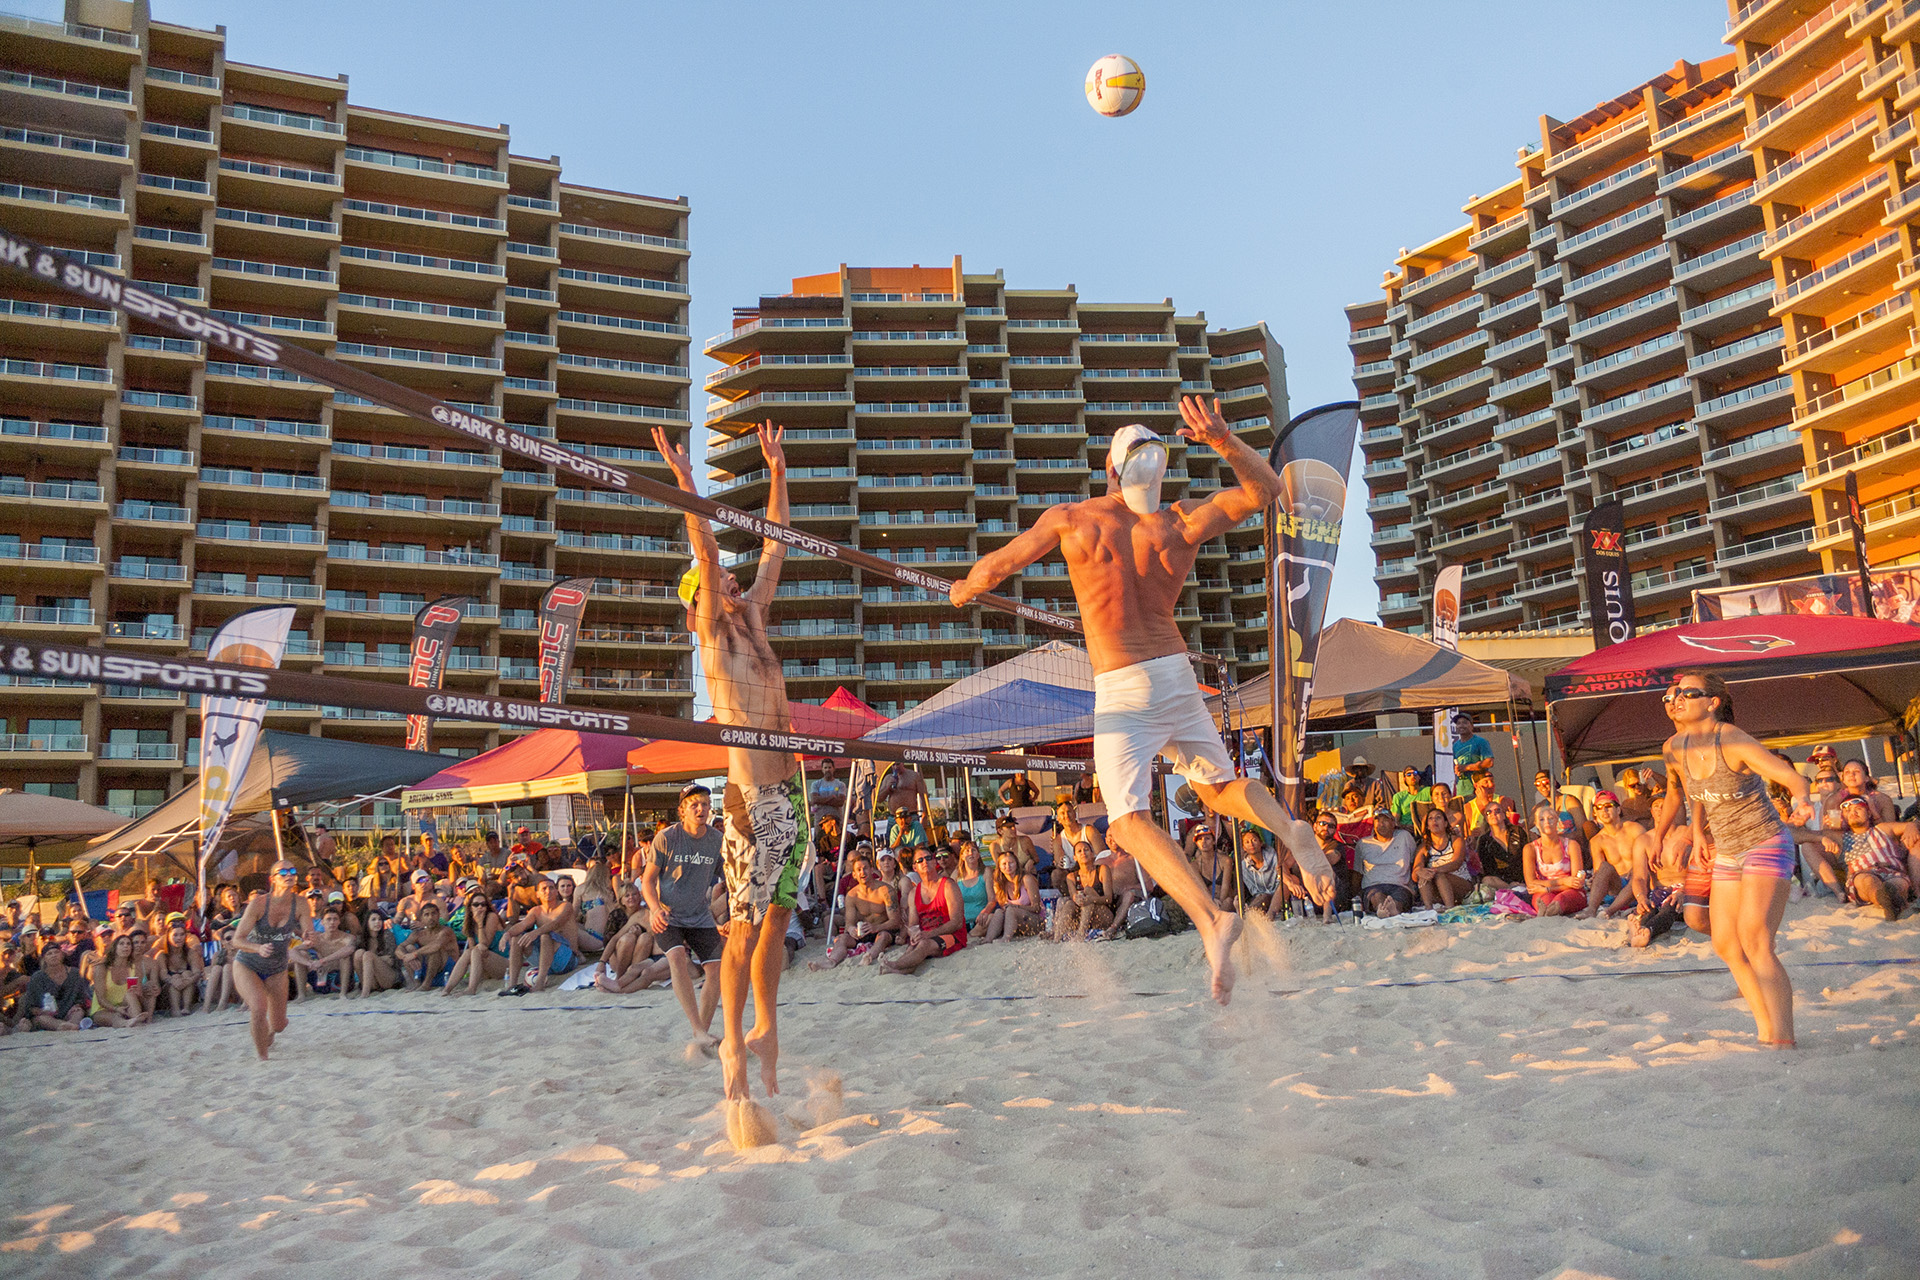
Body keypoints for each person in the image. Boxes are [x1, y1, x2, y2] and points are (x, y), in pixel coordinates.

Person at [950, 395, 1334, 1004]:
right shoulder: (1179, 522)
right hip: (1177, 672)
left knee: (1127, 822)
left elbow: (997, 568)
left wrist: (962, 589)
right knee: (1215, 789)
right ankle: (1290, 831)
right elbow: (1265, 492)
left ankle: (1211, 918)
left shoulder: (1073, 519)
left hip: (1123, 683)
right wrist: (1224, 440)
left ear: (1109, 472)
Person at [659, 418, 809, 1120]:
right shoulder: (716, 638)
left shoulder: (754, 618)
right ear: (699, 603)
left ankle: (766, 1027)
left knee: (778, 919)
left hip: (791, 789)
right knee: (746, 929)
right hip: (751, 794)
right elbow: (704, 540)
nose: (727, 574)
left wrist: (778, 473)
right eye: (712, 579)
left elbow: (778, 547)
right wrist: (690, 489)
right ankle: (728, 1048)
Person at [1655, 670, 1812, 1048]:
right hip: (1726, 849)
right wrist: (1675, 835)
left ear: (1713, 702)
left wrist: (1804, 800)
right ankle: (1765, 1030)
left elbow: (1790, 777)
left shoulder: (1734, 740)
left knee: (1756, 939)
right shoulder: (1673, 747)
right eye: (1672, 694)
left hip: (1765, 842)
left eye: (1687, 693)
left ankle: (1784, 1038)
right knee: (1726, 943)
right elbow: (1683, 792)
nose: (1675, 698)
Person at [643, 783, 727, 1052]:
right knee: (677, 957)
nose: (701, 808)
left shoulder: (716, 839)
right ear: (682, 810)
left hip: (700, 914)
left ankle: (699, 1032)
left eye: (704, 803)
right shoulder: (667, 837)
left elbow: (729, 880)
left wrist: (729, 915)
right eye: (694, 805)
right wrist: (655, 909)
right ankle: (699, 1030)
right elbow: (647, 880)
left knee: (716, 970)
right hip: (668, 913)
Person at [227, 862, 310, 1059]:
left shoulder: (300, 903)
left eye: (292, 871)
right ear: (272, 879)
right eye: (283, 872)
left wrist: (311, 938)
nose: (288, 875)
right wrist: (258, 947)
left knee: (279, 1025)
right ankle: (262, 1057)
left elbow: (308, 933)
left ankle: (270, 1032)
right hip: (248, 963)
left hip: (277, 967)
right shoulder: (258, 904)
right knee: (258, 1007)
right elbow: (237, 940)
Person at [1824, 794, 1911, 920]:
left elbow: (1911, 825)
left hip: (1892, 870)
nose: (1853, 813)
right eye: (1848, 811)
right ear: (1843, 817)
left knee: (1898, 883)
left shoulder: (1883, 829)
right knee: (1866, 881)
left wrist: (1911, 828)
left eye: (1858, 809)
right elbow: (1800, 836)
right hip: (1862, 873)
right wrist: (1822, 837)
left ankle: (1890, 899)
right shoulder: (1841, 837)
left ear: (1869, 813)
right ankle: (1887, 900)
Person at [882, 848, 968, 973]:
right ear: (915, 867)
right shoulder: (914, 893)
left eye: (928, 858)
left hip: (952, 935)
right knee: (912, 948)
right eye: (920, 860)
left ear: (934, 862)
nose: (925, 862)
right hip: (926, 936)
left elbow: (957, 922)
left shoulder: (948, 885)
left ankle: (894, 965)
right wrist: (914, 934)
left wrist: (928, 934)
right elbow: (913, 924)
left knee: (924, 945)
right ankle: (896, 970)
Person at [497, 880, 573, 994]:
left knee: (545, 936)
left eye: (551, 888)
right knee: (516, 939)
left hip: (565, 959)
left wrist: (535, 932)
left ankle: (539, 984)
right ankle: (512, 985)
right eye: (544, 889)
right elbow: (522, 925)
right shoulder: (536, 910)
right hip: (545, 961)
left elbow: (556, 923)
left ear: (557, 892)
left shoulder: (565, 906)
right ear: (537, 894)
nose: (548, 891)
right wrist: (507, 934)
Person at [1625, 824, 1693, 949]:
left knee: (1670, 906)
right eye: (1655, 805)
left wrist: (1683, 890)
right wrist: (1641, 898)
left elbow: (1700, 871)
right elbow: (1639, 877)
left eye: (1663, 805)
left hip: (1686, 886)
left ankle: (1649, 930)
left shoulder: (1688, 834)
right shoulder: (1644, 840)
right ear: (1651, 810)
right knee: (1649, 907)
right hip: (1660, 889)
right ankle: (1639, 929)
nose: (1659, 810)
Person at [1580, 791, 1645, 920]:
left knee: (1638, 875)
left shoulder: (1635, 829)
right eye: (1599, 808)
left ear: (1618, 809)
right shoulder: (1597, 840)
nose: (1604, 810)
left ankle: (1609, 911)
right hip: (1617, 887)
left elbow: (1647, 855)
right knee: (1604, 867)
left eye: (1608, 806)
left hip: (1639, 884)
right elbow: (1599, 870)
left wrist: (1635, 870)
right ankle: (1591, 910)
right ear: (1596, 814)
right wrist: (1594, 879)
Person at [1523, 801, 1587, 917]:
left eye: (1550, 818)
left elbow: (1577, 882)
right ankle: (1548, 913)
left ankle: (1551, 912)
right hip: (1548, 891)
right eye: (1542, 819)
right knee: (1544, 902)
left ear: (1557, 821)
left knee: (1560, 900)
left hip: (1570, 892)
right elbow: (1531, 883)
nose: (1547, 822)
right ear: (1536, 824)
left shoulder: (1571, 845)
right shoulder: (1530, 849)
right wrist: (1562, 882)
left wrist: (1545, 888)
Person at [445, 887, 509, 995]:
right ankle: (447, 989)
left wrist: (479, 924)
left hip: (503, 964)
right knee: (468, 952)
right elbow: (472, 947)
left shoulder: (491, 917)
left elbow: (484, 944)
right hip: (485, 966)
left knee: (477, 950)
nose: (480, 907)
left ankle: (471, 989)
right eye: (476, 905)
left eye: (483, 904)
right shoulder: (469, 922)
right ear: (470, 907)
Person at [1355, 807, 1417, 917]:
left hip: (1400, 884)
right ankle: (1382, 909)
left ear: (1393, 823)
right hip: (1373, 884)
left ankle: (1393, 910)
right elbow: (1358, 872)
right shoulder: (1363, 843)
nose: (1381, 824)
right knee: (1376, 895)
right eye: (1377, 820)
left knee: (1399, 897)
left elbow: (1413, 861)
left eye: (1385, 820)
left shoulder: (1404, 837)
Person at [977, 848, 1045, 944]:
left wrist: (1016, 907)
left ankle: (1006, 938)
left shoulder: (1027, 879)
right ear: (999, 867)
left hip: (1035, 921)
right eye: (1004, 864)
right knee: (999, 912)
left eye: (1011, 863)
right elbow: (1004, 909)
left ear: (1016, 863)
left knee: (1011, 910)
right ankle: (988, 939)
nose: (1008, 866)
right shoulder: (999, 884)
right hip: (1015, 924)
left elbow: (1037, 908)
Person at [16, 945, 90, 1031]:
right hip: (47, 1016)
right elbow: (30, 1006)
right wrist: (41, 1011)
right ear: (44, 958)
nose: (54, 955)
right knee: (42, 1019)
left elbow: (83, 997)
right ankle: (63, 1026)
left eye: (56, 952)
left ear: (62, 955)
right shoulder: (37, 978)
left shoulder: (75, 973)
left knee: (78, 1012)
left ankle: (71, 1025)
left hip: (69, 1012)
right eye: (49, 954)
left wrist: (77, 1005)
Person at [1053, 841, 1115, 941]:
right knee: (1069, 903)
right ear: (1075, 857)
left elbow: (1108, 899)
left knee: (1087, 891)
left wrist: (1091, 899)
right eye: (1079, 851)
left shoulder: (1102, 869)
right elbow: (1074, 897)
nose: (1083, 853)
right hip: (1083, 917)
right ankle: (1056, 937)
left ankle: (1081, 935)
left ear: (1092, 854)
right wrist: (1078, 899)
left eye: (1086, 850)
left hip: (1103, 916)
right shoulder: (1071, 877)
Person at [1413, 809, 1472, 910]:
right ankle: (1428, 908)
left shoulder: (1456, 840)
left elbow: (1456, 863)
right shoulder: (1423, 847)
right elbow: (1415, 874)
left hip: (1460, 883)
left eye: (1438, 817)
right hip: (1437, 888)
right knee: (1423, 876)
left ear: (1445, 824)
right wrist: (1421, 872)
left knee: (1439, 875)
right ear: (1427, 826)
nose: (1434, 821)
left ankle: (1450, 908)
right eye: (1430, 819)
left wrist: (1434, 870)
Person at [89, 931, 150, 1027]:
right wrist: (116, 1009)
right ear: (115, 948)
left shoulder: (135, 968)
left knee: (131, 994)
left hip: (125, 1006)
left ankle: (136, 1020)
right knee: (114, 1017)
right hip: (104, 1009)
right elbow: (101, 999)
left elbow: (138, 995)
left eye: (128, 944)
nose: (125, 946)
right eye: (121, 944)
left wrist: (139, 993)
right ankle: (129, 1022)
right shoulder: (102, 968)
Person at [298, 907, 356, 999]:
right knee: (302, 954)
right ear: (322, 922)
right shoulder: (317, 938)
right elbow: (293, 952)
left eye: (335, 919)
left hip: (339, 980)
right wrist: (309, 963)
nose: (332, 922)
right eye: (328, 919)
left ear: (339, 922)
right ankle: (301, 995)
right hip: (322, 977)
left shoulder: (348, 938)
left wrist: (322, 961)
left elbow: (349, 950)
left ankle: (343, 994)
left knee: (345, 957)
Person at [155, 914, 203, 1016]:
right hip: (169, 992)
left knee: (187, 973)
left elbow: (197, 972)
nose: (179, 938)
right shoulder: (162, 955)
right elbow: (163, 975)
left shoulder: (190, 953)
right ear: (168, 936)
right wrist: (173, 981)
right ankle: (175, 1009)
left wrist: (187, 981)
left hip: (188, 989)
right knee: (176, 977)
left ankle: (186, 1007)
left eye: (182, 935)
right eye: (175, 935)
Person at [1474, 807, 1527, 893]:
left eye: (1497, 810)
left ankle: (1519, 887)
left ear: (1504, 815)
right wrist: (1510, 883)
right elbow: (1489, 869)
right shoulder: (1485, 841)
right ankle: (1512, 888)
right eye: (1489, 812)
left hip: (1523, 876)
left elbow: (1528, 855)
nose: (1493, 814)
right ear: (1486, 819)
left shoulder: (1517, 831)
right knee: (1487, 880)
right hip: (1502, 881)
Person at [353, 909, 401, 998]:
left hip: (389, 977)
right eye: (373, 919)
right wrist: (378, 959)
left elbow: (391, 960)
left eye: (379, 919)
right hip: (372, 981)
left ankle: (364, 993)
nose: (377, 922)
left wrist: (371, 960)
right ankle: (367, 987)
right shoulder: (362, 939)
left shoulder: (386, 935)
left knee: (368, 955)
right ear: (367, 922)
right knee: (358, 953)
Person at [951, 842, 994, 934]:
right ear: (962, 856)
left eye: (973, 850)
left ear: (978, 855)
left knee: (993, 917)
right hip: (961, 922)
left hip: (981, 921)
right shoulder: (956, 875)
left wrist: (985, 911)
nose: (970, 853)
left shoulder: (986, 872)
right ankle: (970, 936)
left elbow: (992, 899)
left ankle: (970, 936)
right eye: (967, 851)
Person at [1236, 830, 1280, 915]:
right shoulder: (1244, 866)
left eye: (1254, 840)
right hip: (1259, 898)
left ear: (1261, 843)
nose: (1251, 844)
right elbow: (1253, 890)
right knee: (1261, 898)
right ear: (1244, 848)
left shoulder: (1273, 856)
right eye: (1247, 842)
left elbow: (1280, 879)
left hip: (1277, 895)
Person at [1450, 712, 1494, 786]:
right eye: (1458, 723)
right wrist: (1457, 769)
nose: (1461, 726)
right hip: (1462, 786)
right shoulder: (1455, 745)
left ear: (1472, 726)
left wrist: (1467, 767)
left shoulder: (1481, 741)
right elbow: (1456, 764)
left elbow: (1489, 762)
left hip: (1479, 785)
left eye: (1464, 723)